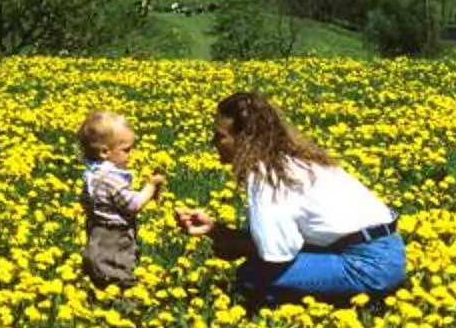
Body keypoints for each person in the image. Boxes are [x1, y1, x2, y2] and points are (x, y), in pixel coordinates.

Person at [173, 91, 407, 309]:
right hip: (388, 252)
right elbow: (288, 242)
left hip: (367, 265)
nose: (213, 142)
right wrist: (215, 230)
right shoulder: (291, 161)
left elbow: (276, 254)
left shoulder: (268, 177)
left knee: (253, 275)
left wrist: (230, 243)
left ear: (244, 139)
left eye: (220, 136)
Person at [77, 108, 166, 291]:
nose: (130, 155)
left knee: (98, 267)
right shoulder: (111, 178)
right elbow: (133, 205)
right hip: (115, 235)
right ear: (105, 152)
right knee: (119, 273)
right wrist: (150, 187)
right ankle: (123, 301)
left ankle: (97, 290)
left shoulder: (91, 174)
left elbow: (84, 201)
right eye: (126, 150)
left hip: (95, 229)